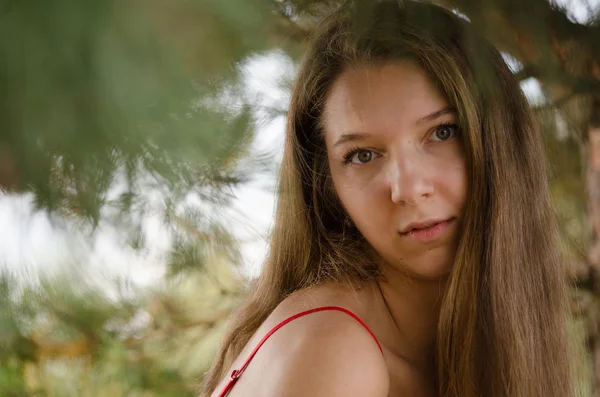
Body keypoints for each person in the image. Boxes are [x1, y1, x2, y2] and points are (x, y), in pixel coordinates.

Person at [201, 1, 574, 396]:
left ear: (501, 140)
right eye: (362, 155)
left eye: (443, 132)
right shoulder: (332, 350)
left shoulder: (482, 346)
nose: (409, 189)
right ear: (328, 188)